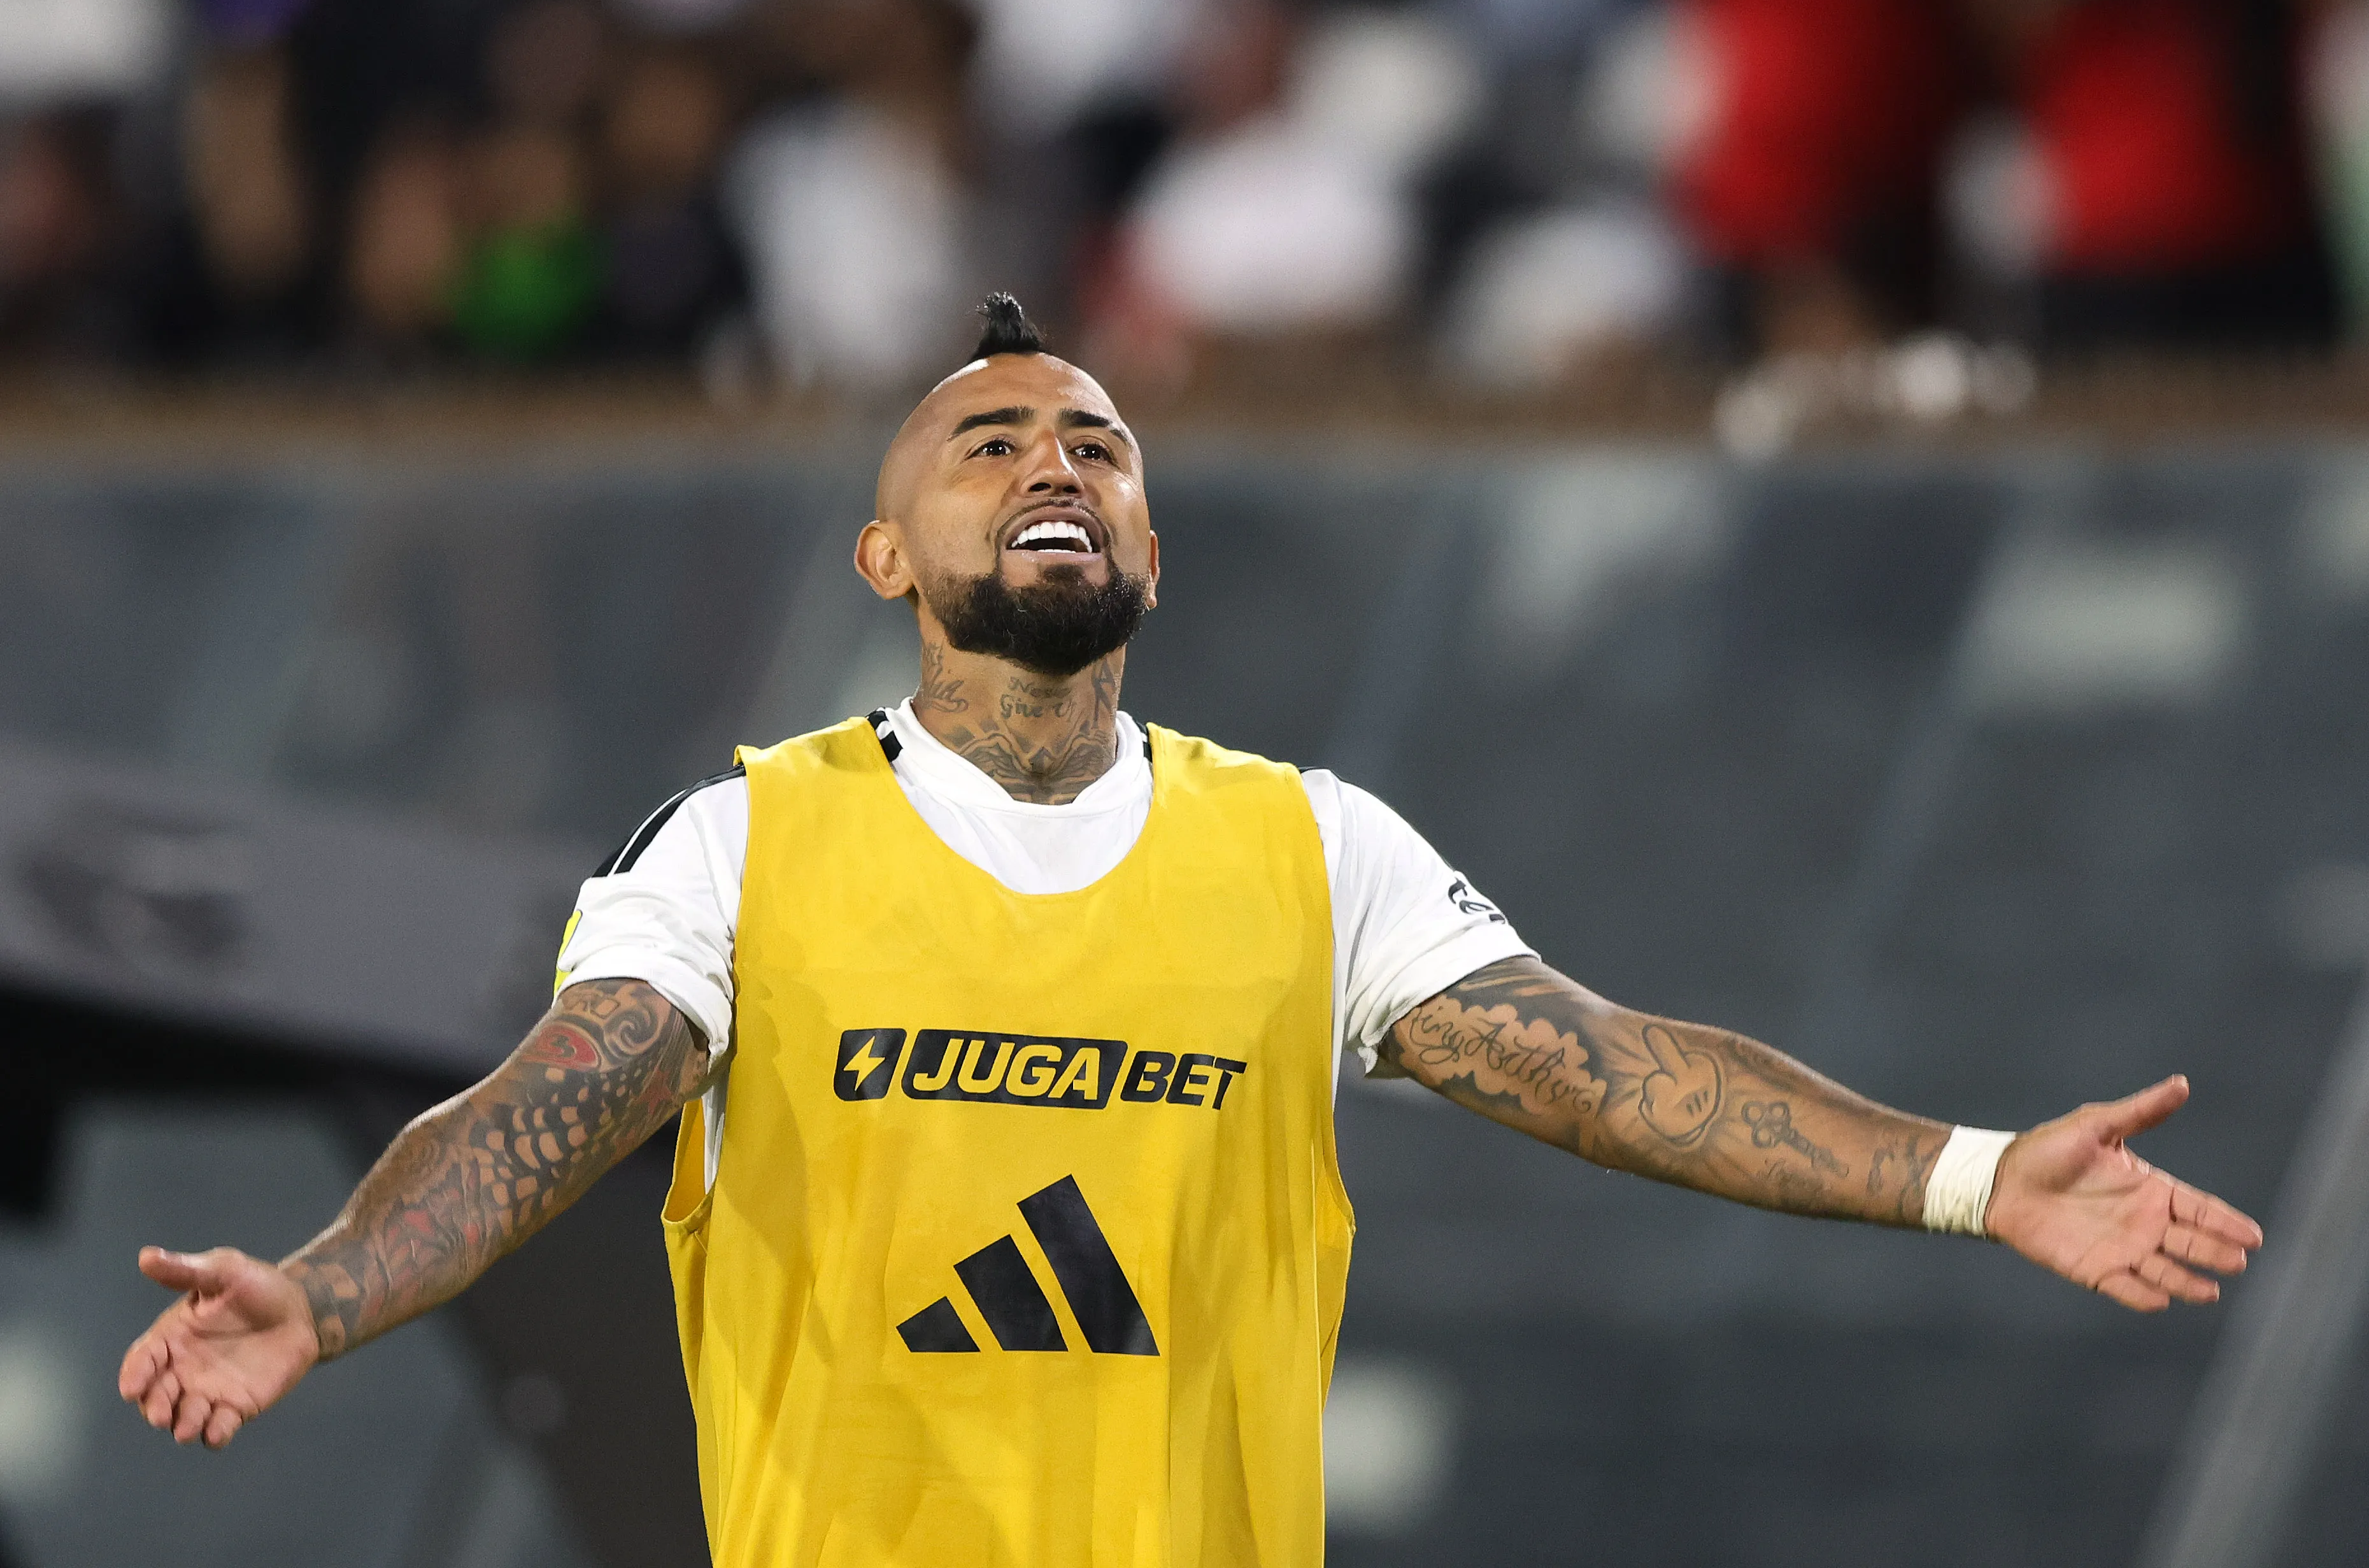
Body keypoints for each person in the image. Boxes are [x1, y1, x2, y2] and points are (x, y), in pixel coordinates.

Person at [119, 294, 2263, 1565]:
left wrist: (1980, 1179)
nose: (1054, 460)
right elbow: (552, 1105)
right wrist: (321, 1292)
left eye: (1099, 443)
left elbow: (1610, 1072)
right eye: (991, 440)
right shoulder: (751, 843)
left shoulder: (1310, 851)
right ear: (888, 547)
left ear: (1150, 540)